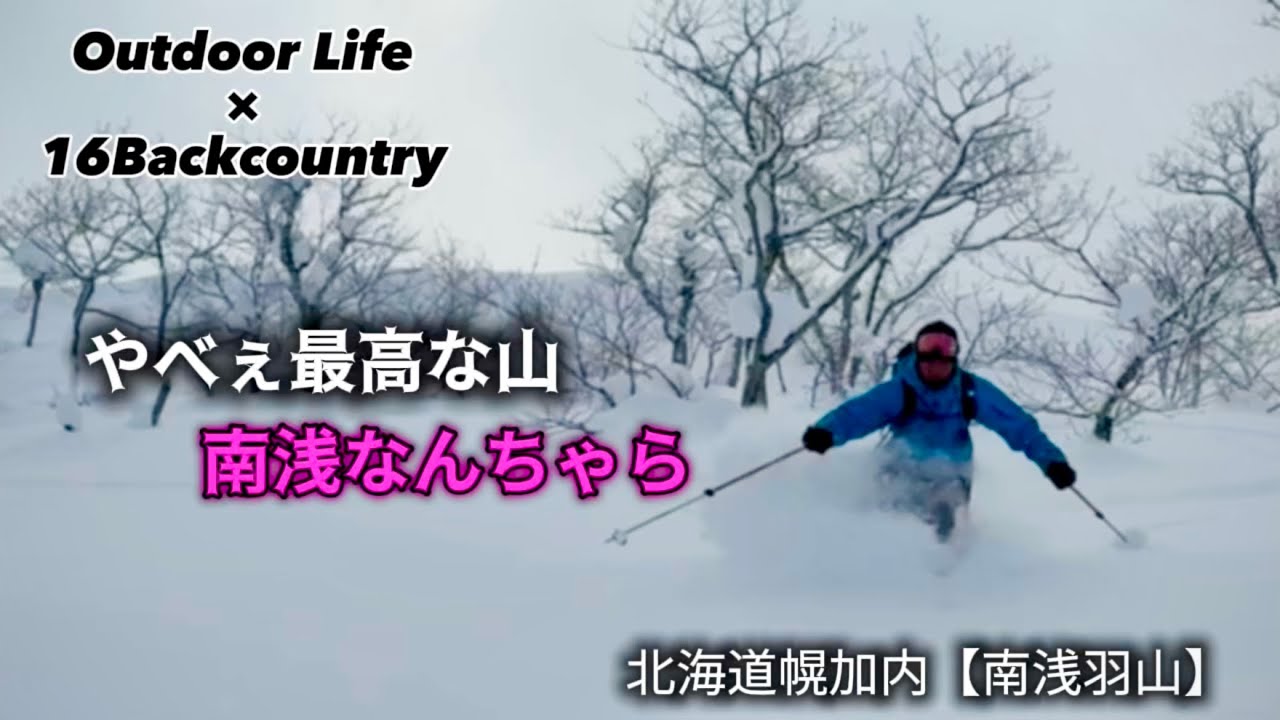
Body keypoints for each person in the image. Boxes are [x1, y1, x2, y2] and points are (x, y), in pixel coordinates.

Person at [801, 320, 1077, 545]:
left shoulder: (970, 391)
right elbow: (859, 413)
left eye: (944, 355)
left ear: (954, 359)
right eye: (928, 357)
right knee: (888, 518)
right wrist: (826, 432)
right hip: (901, 468)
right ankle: (872, 564)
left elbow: (1018, 426)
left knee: (943, 520)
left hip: (950, 473)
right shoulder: (901, 390)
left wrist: (1051, 462)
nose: (935, 365)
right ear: (917, 358)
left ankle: (940, 582)